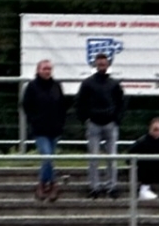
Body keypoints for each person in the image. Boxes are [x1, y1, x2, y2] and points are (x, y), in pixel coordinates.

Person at [76, 53, 127, 198]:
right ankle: (94, 187)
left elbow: (121, 102)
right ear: (95, 65)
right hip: (93, 124)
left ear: (108, 65)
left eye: (104, 64)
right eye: (99, 64)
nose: (102, 66)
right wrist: (85, 119)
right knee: (93, 158)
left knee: (112, 158)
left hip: (110, 124)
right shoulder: (87, 83)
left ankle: (112, 186)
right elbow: (80, 102)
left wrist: (117, 119)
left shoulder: (114, 84)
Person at [20, 58, 69, 202]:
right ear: (38, 70)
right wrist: (34, 120)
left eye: (49, 69)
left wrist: (61, 122)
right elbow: (26, 105)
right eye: (44, 69)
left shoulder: (56, 86)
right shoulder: (32, 86)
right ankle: (49, 184)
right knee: (47, 156)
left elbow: (62, 105)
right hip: (40, 128)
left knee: (50, 158)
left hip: (54, 128)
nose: (47, 71)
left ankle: (45, 184)